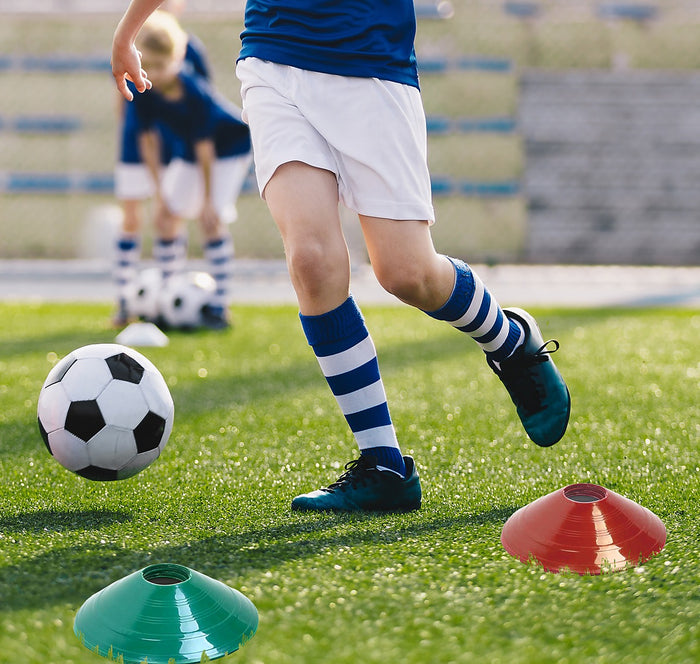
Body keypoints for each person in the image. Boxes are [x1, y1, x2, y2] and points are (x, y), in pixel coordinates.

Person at [112, 1, 571, 511]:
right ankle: (384, 465)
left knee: (407, 273)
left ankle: (510, 342)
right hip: (273, 57)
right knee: (311, 261)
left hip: (371, 61)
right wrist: (129, 29)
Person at [113, 7, 252, 329]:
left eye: (161, 66)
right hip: (192, 152)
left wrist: (205, 201)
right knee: (165, 216)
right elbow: (148, 142)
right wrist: (160, 194)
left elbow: (207, 149)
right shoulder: (144, 86)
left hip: (228, 148)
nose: (155, 73)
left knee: (211, 219)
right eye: (148, 65)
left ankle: (220, 307)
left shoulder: (193, 91)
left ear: (177, 59)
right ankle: (166, 298)